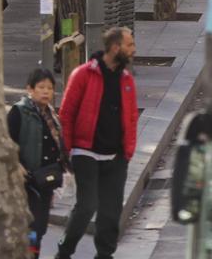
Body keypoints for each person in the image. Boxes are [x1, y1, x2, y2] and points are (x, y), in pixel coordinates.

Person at [56, 27, 139, 259]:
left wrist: (127, 152)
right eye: (129, 45)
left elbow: (131, 117)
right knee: (87, 206)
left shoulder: (126, 80)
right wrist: (68, 150)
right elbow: (67, 113)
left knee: (111, 212)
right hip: (85, 152)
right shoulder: (83, 75)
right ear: (115, 47)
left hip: (116, 156)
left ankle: (104, 255)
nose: (133, 50)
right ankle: (64, 252)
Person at [9, 68, 66, 256]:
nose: (46, 92)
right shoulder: (19, 112)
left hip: (44, 182)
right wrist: (16, 165)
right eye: (41, 87)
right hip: (26, 184)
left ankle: (33, 254)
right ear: (30, 89)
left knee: (39, 228)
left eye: (50, 88)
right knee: (30, 229)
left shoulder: (50, 114)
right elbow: (6, 143)